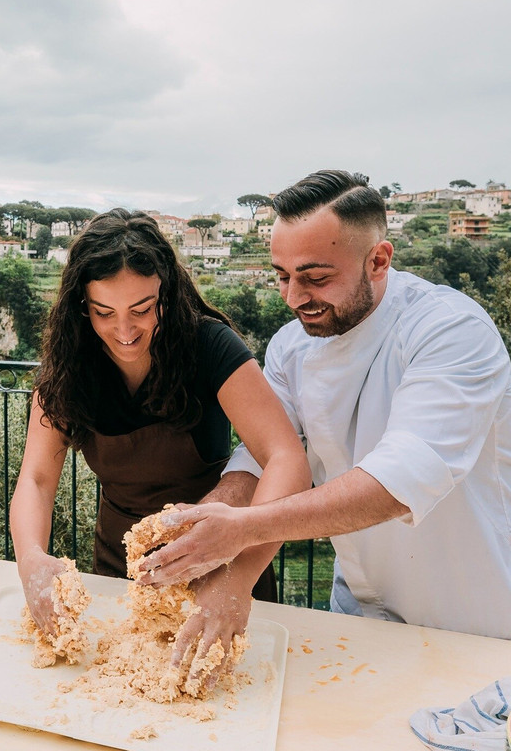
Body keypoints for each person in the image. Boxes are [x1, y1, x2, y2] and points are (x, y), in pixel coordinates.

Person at [145, 170, 511, 640]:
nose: (295, 298)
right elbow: (263, 457)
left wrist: (241, 529)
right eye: (282, 277)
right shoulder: (288, 348)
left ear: (378, 260)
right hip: (357, 605)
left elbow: (399, 482)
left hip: (467, 616)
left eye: (315, 278)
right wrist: (201, 523)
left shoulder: (450, 330)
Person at [9, 209, 311, 678]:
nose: (125, 332)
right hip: (121, 565)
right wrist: (31, 556)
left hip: (221, 557)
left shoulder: (210, 346)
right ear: (81, 306)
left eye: (142, 309)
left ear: (165, 295)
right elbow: (36, 477)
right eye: (104, 313)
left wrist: (237, 575)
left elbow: (287, 457)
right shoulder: (71, 367)